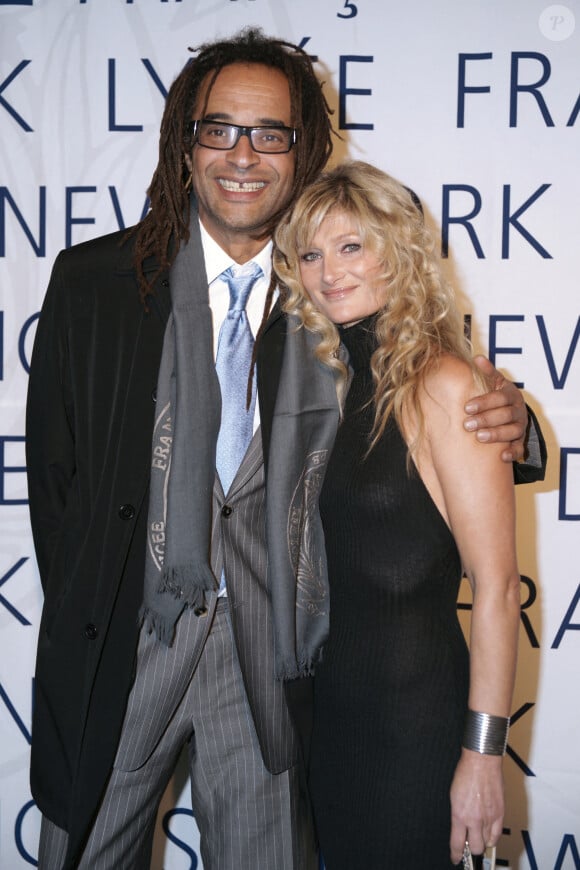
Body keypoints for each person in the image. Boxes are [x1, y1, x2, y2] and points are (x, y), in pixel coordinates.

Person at [25, 27, 542, 870]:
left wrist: (514, 426)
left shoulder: (327, 291)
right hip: (128, 652)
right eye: (219, 128)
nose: (243, 154)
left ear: (304, 150)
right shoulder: (95, 283)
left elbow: (422, 395)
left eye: (271, 134)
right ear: (183, 143)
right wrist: (105, 608)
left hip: (273, 665)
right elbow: (55, 479)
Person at [272, 160, 526, 869]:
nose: (329, 271)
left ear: (398, 251)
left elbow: (499, 589)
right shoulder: (323, 385)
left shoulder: (445, 385)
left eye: (351, 246)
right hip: (330, 730)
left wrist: (481, 759)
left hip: (417, 734)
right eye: (312, 253)